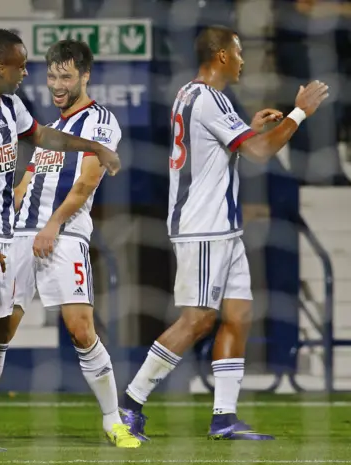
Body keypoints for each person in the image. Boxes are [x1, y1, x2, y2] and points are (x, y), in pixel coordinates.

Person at [118, 25, 329, 441]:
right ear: (221, 57)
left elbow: (228, 146)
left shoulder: (193, 94)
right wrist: (299, 112)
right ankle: (129, 404)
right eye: (238, 52)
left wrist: (248, 126)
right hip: (203, 227)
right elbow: (260, 152)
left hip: (224, 229)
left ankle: (224, 417)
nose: (243, 59)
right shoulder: (208, 99)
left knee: (239, 315)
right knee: (197, 321)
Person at [0, 29, 121, 453]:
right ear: (0, 67)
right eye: (21, 65)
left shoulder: (9, 107)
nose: (26, 73)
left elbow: (45, 138)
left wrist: (94, 147)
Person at [0, 39, 139, 448]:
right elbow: (26, 184)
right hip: (19, 238)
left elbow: (88, 180)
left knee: (81, 329)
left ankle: (113, 421)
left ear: (84, 76)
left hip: (64, 235)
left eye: (65, 76)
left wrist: (52, 224)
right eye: (52, 75)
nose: (57, 83)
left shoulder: (99, 121)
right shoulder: (50, 131)